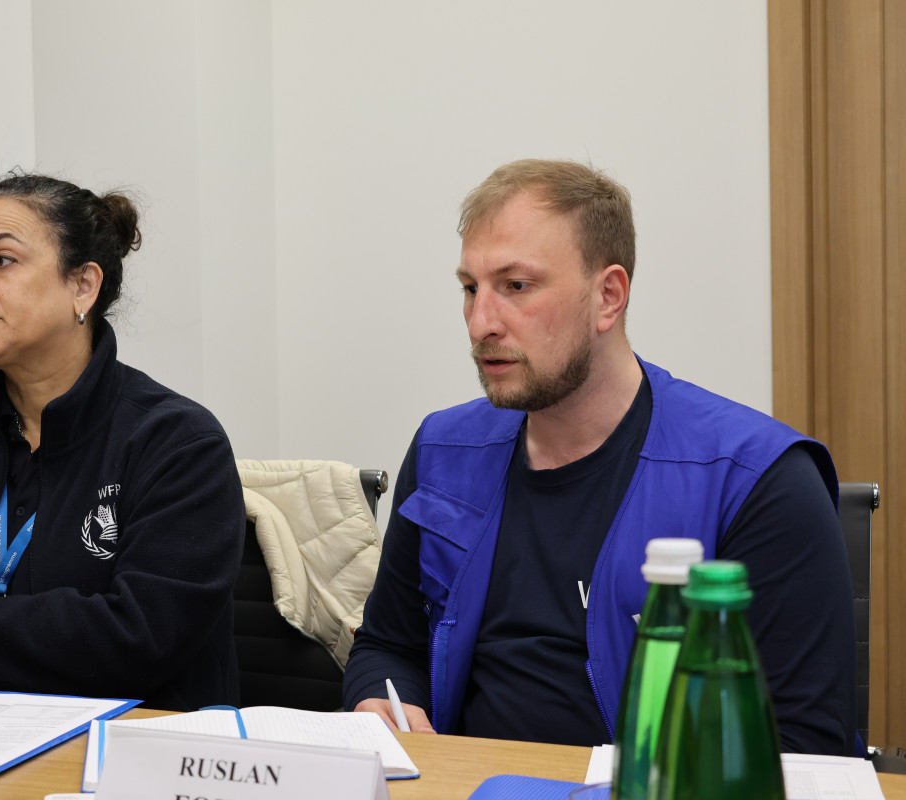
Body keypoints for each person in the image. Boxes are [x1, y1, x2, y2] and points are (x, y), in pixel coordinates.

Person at [342, 159, 858, 755]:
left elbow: (805, 744)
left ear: (607, 297)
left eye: (516, 286)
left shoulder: (757, 479)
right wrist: (378, 701)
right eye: (470, 288)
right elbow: (388, 646)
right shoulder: (444, 452)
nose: (480, 323)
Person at [0, 173, 245, 710]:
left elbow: (138, 637)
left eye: (2, 260)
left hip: (122, 747)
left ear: (82, 286)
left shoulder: (178, 442)